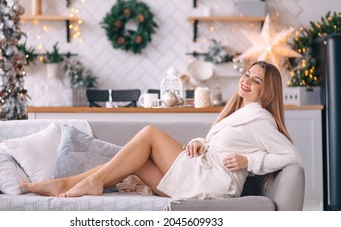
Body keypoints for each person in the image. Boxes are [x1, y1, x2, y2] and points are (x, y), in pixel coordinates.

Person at [22, 61, 300, 199]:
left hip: (211, 181)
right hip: (202, 170)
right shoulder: (240, 112)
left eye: (257, 81)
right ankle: (63, 184)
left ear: (267, 91)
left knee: (150, 133)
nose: (247, 82)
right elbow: (225, 143)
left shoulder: (261, 119)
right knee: (134, 161)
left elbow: (291, 156)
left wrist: (249, 161)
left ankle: (82, 183)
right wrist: (199, 142)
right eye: (247, 75)